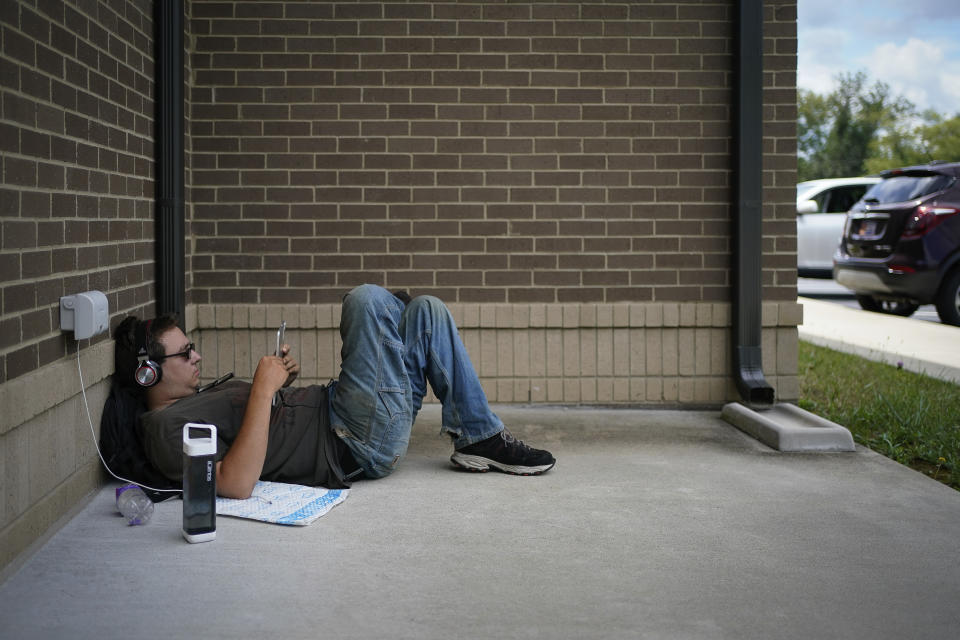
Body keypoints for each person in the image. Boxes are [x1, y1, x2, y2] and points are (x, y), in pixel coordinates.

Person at [107, 284, 555, 499]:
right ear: (148, 374)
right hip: (351, 443)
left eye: (193, 348)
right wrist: (263, 391)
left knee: (426, 311)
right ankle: (388, 315)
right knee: (364, 301)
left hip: (341, 412)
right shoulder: (167, 430)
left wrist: (281, 383)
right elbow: (234, 483)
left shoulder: (187, 404)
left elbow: (264, 431)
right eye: (184, 353)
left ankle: (478, 437)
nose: (196, 357)